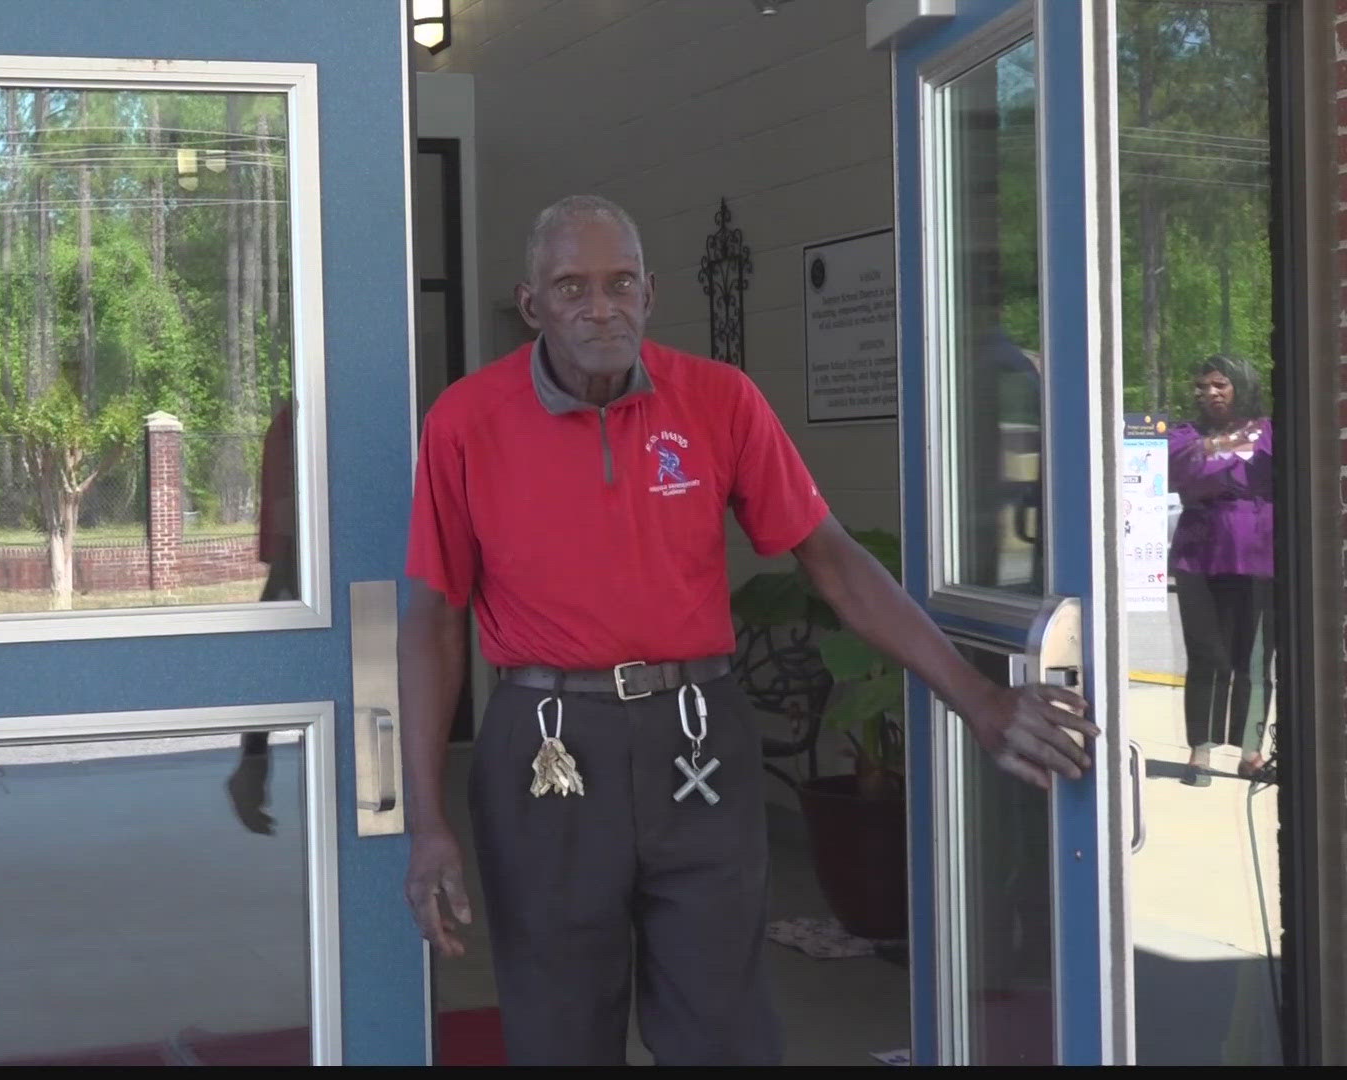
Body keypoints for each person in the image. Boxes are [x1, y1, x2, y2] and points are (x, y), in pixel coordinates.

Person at [398, 195, 1096, 1066]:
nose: (599, 306)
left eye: (619, 283)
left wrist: (978, 699)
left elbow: (834, 562)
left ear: (650, 293)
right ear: (530, 303)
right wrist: (426, 821)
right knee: (559, 1027)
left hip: (698, 743)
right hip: (548, 751)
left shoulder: (718, 401)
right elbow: (431, 619)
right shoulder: (466, 421)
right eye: (570, 287)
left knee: (723, 1027)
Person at [1167, 355, 1274, 784]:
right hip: (1199, 555)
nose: (1208, 392)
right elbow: (1179, 467)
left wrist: (1215, 454)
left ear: (1241, 387)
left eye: (1219, 384)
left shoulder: (1272, 430)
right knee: (1207, 655)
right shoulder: (1185, 433)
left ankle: (1251, 752)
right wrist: (1223, 448)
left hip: (1260, 554)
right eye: (1202, 386)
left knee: (1254, 658)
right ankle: (1201, 750)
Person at [228, 399, 297, 835]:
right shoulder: (296, 423)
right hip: (306, 560)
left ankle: (252, 763)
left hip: (300, 561)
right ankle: (252, 763)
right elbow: (290, 511)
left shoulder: (291, 421)